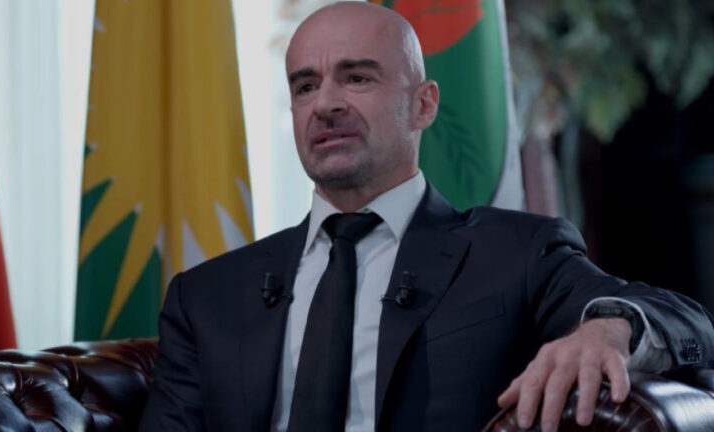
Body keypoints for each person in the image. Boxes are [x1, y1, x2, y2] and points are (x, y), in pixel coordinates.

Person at [138, 3, 714, 431]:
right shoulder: (207, 295)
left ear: (424, 104)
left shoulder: (514, 253)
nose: (326, 103)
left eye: (357, 77)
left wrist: (607, 329)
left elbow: (690, 323)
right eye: (306, 86)